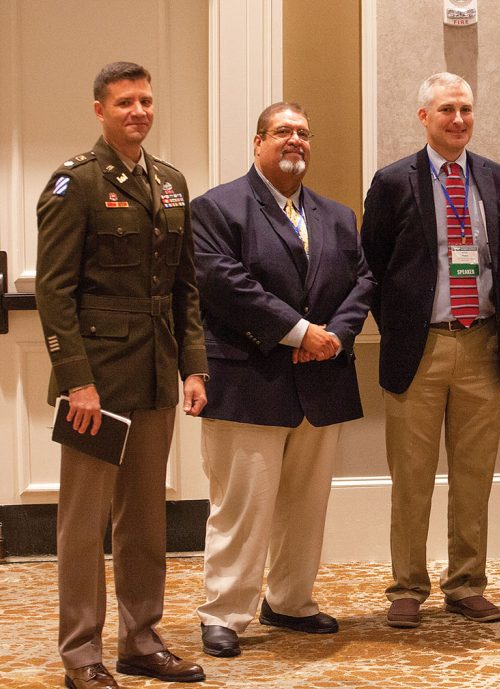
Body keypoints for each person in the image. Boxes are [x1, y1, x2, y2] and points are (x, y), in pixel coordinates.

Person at [36, 61, 208, 689]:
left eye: (146, 100)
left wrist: (194, 367)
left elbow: (185, 286)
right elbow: (55, 293)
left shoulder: (170, 183)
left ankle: (141, 640)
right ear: (99, 110)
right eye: (125, 102)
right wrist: (76, 378)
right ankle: (82, 653)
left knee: (146, 520)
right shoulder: (75, 183)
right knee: (84, 524)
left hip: (159, 374)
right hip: (97, 385)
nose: (139, 111)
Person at [191, 102, 374, 656]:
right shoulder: (217, 208)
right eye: (282, 133)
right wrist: (299, 332)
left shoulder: (338, 215)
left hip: (322, 379)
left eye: (302, 133)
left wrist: (334, 336)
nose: (294, 141)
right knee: (241, 506)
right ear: (257, 142)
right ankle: (224, 612)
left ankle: (291, 601)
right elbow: (226, 284)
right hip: (249, 382)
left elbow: (363, 281)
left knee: (306, 504)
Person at [360, 72, 500, 628]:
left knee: (475, 475)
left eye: (466, 109)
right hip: (419, 349)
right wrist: (402, 328)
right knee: (412, 475)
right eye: (447, 110)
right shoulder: (392, 182)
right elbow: (371, 266)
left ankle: (467, 582)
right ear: (424, 117)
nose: (459, 120)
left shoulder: (497, 180)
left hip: (481, 344)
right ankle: (406, 586)